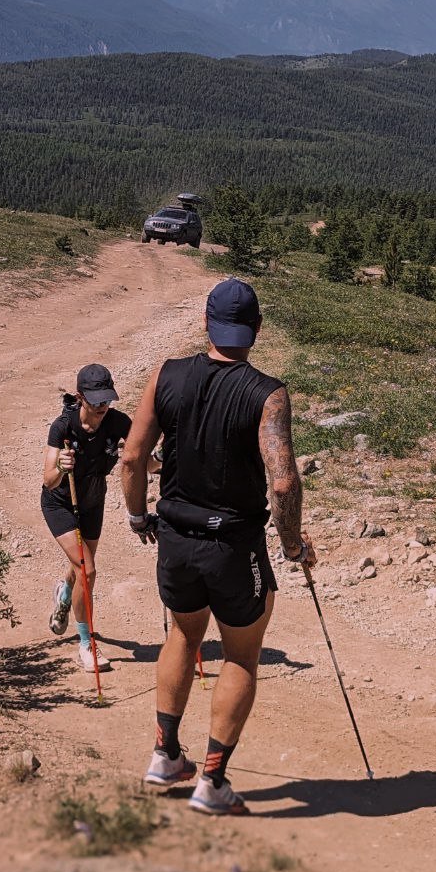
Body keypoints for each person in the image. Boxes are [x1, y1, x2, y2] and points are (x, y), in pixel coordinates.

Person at [121, 277, 316, 816]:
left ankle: (164, 755)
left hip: (175, 538)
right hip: (232, 544)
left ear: (206, 323)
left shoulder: (167, 374)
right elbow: (282, 482)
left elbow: (133, 457)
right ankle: (212, 782)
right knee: (242, 657)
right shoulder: (267, 393)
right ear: (257, 329)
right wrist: (294, 545)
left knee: (184, 636)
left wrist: (139, 516)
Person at [42, 363, 133, 673]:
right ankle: (86, 645)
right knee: (88, 570)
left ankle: (64, 592)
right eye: (95, 401)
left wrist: (161, 457)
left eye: (106, 399)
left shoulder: (119, 423)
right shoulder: (62, 427)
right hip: (61, 504)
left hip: (93, 501)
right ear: (80, 397)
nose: (102, 407)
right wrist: (62, 467)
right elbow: (49, 480)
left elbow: (143, 461)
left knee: (80, 569)